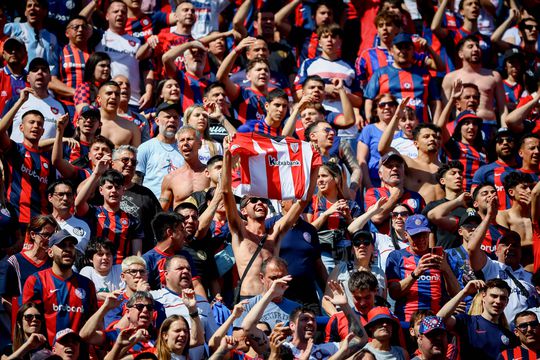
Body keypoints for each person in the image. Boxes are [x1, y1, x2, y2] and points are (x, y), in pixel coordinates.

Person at [222, 135, 317, 299]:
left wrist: (314, 164)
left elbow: (303, 201)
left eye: (263, 200)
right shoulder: (239, 233)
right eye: (253, 200)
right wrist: (226, 155)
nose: (260, 203)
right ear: (243, 210)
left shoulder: (275, 236)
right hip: (248, 300)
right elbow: (225, 191)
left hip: (275, 301)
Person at [467, 195, 537, 323]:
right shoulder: (490, 267)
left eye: (515, 245)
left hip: (523, 335)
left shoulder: (530, 277)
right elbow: (472, 248)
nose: (511, 248)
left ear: (521, 252)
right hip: (493, 331)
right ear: (496, 249)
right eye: (505, 244)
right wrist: (489, 216)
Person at [23, 229, 98, 345]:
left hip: (79, 353)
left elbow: (94, 323)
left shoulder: (87, 285)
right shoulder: (36, 281)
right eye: (62, 246)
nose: (68, 249)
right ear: (50, 252)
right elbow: (27, 323)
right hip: (46, 355)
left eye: (71, 246)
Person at [386, 214, 460, 326]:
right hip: (407, 321)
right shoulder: (396, 256)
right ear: (406, 235)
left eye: (424, 235)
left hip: (437, 321)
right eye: (416, 236)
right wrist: (416, 273)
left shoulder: (442, 256)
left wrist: (446, 269)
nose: (421, 239)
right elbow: (393, 293)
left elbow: (456, 294)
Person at [364, 33, 442, 124]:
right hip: (389, 131)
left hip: (420, 131)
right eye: (399, 48)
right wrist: (371, 122)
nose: (403, 51)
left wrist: (435, 126)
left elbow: (435, 102)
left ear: (413, 51)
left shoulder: (424, 73)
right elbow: (369, 99)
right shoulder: (380, 73)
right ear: (391, 50)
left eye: (408, 48)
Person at [378, 99, 445, 203]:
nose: (432, 139)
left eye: (435, 137)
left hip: (443, 216)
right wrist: (396, 117)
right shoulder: (408, 163)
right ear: (415, 143)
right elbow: (382, 148)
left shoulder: (444, 168)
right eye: (426, 137)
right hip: (417, 216)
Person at [441, 36, 508, 138]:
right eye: (470, 46)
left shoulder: (494, 76)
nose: (476, 49)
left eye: (477, 46)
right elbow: (446, 109)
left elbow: (502, 107)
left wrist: (504, 129)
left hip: (489, 125)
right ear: (460, 54)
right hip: (461, 126)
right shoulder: (450, 78)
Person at [149, 255, 216, 356]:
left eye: (188, 269)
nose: (185, 271)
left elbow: (213, 340)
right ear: (166, 274)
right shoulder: (154, 299)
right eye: (180, 268)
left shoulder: (202, 302)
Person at [75, 168, 144, 264]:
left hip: (120, 271)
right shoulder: (92, 212)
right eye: (109, 187)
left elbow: (137, 255)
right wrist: (96, 173)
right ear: (101, 190)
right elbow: (78, 204)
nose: (114, 191)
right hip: (94, 269)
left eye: (117, 187)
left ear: (123, 191)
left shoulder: (133, 220)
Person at [437, 279, 519, 359]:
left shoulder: (510, 336)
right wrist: (464, 292)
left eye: (503, 298)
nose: (498, 301)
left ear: (507, 302)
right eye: (494, 296)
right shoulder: (467, 322)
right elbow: (438, 320)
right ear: (483, 296)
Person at [306, 162, 362, 271]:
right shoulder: (312, 202)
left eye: (324, 176)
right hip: (321, 255)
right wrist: (327, 213)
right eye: (318, 177)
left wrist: (348, 218)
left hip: (346, 255)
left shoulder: (350, 205)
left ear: (336, 179)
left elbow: (357, 232)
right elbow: (308, 231)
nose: (320, 180)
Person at [111, 145, 161, 253]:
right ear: (112, 163)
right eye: (125, 160)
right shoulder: (104, 191)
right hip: (110, 256)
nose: (129, 164)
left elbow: (160, 224)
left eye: (133, 162)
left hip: (141, 257)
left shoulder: (146, 194)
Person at [364, 151, 426, 235]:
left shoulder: (416, 197)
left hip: (410, 245)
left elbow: (424, 227)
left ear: (403, 172)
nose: (395, 169)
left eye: (398, 166)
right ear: (380, 174)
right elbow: (376, 217)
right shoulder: (373, 193)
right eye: (389, 166)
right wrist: (395, 196)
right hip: (383, 246)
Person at [6, 57, 66, 143]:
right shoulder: (15, 101)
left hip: (47, 156)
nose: (40, 72)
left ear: (50, 77)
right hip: (17, 155)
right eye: (35, 70)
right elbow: (2, 130)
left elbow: (66, 140)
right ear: (28, 78)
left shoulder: (61, 107)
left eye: (44, 70)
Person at [233, 257, 301, 329]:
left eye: (282, 277)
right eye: (273, 278)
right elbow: (238, 336)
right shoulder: (247, 305)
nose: (278, 282)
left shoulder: (297, 308)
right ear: (262, 278)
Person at [135, 101, 185, 199]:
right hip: (152, 206)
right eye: (167, 117)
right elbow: (136, 179)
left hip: (178, 206)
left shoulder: (184, 148)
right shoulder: (145, 148)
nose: (172, 120)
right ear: (157, 121)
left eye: (175, 117)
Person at [3, 215, 55, 305]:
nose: (49, 239)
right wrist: (20, 317)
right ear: (33, 234)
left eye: (52, 235)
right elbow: (6, 299)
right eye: (45, 235)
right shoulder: (15, 262)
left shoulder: (54, 262)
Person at [159, 126, 210, 210]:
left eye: (189, 139)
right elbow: (161, 212)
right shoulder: (170, 179)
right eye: (182, 140)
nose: (185, 143)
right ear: (178, 147)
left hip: (207, 222)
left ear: (199, 144)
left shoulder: (209, 174)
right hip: (181, 222)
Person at [49, 16, 91, 114]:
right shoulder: (59, 52)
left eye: (84, 27)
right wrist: (77, 93)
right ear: (67, 33)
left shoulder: (94, 54)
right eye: (76, 27)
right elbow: (51, 81)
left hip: (90, 106)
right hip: (65, 105)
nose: (80, 30)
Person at [424, 161, 467, 249]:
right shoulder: (432, 207)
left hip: (467, 259)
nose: (458, 176)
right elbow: (428, 236)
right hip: (443, 259)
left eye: (460, 173)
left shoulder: (470, 207)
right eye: (453, 173)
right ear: (442, 181)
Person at [497, 172, 535, 270]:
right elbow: (507, 247)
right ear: (511, 192)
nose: (529, 191)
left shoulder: (536, 216)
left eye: (531, 187)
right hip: (514, 272)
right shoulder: (503, 216)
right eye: (524, 187)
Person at [472, 128, 518, 210]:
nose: (505, 143)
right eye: (500, 140)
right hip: (494, 220)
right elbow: (475, 199)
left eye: (509, 140)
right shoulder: (483, 171)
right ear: (495, 146)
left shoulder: (524, 169)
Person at [47, 180, 91, 255]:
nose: (65, 198)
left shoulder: (83, 226)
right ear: (50, 197)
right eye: (60, 194)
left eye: (69, 194)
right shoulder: (42, 223)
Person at [96, 81, 141, 147]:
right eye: (109, 93)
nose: (113, 97)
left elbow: (136, 155)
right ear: (99, 99)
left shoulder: (132, 127)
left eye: (117, 94)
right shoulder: (89, 123)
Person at [0, 37, 27, 115]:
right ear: (4, 54)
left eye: (17, 49)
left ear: (24, 53)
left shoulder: (32, 78)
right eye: (9, 49)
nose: (13, 51)